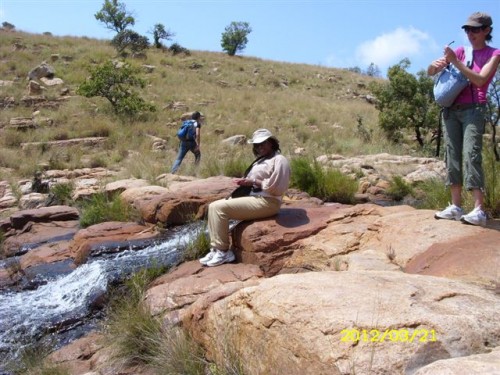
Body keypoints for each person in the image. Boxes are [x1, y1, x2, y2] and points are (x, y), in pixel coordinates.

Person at [427, 12, 500, 226]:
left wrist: (456, 62)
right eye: (467, 29)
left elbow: (480, 80)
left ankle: (478, 209)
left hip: (474, 109)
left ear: (487, 30)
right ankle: (456, 205)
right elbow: (431, 72)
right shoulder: (460, 51)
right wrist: (436, 65)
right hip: (451, 109)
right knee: (452, 156)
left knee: (471, 154)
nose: (470, 33)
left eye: (475, 29)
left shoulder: (494, 53)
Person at [199, 128, 291, 267]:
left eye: (263, 143)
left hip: (268, 202)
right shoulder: (261, 160)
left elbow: (278, 187)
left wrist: (253, 182)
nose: (260, 147)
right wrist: (246, 182)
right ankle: (216, 248)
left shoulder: (279, 160)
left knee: (219, 208)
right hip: (256, 198)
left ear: (271, 143)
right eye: (257, 145)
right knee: (213, 206)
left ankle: (223, 251)